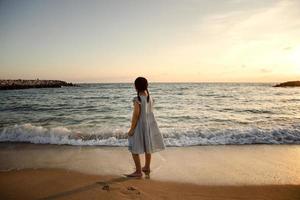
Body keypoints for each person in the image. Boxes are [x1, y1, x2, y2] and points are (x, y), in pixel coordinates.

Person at [126, 77, 165, 177]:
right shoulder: (150, 98)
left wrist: (131, 129)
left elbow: (136, 115)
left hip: (140, 125)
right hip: (150, 125)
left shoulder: (137, 99)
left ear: (136, 87)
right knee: (148, 146)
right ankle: (147, 167)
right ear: (146, 86)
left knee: (134, 147)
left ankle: (138, 171)